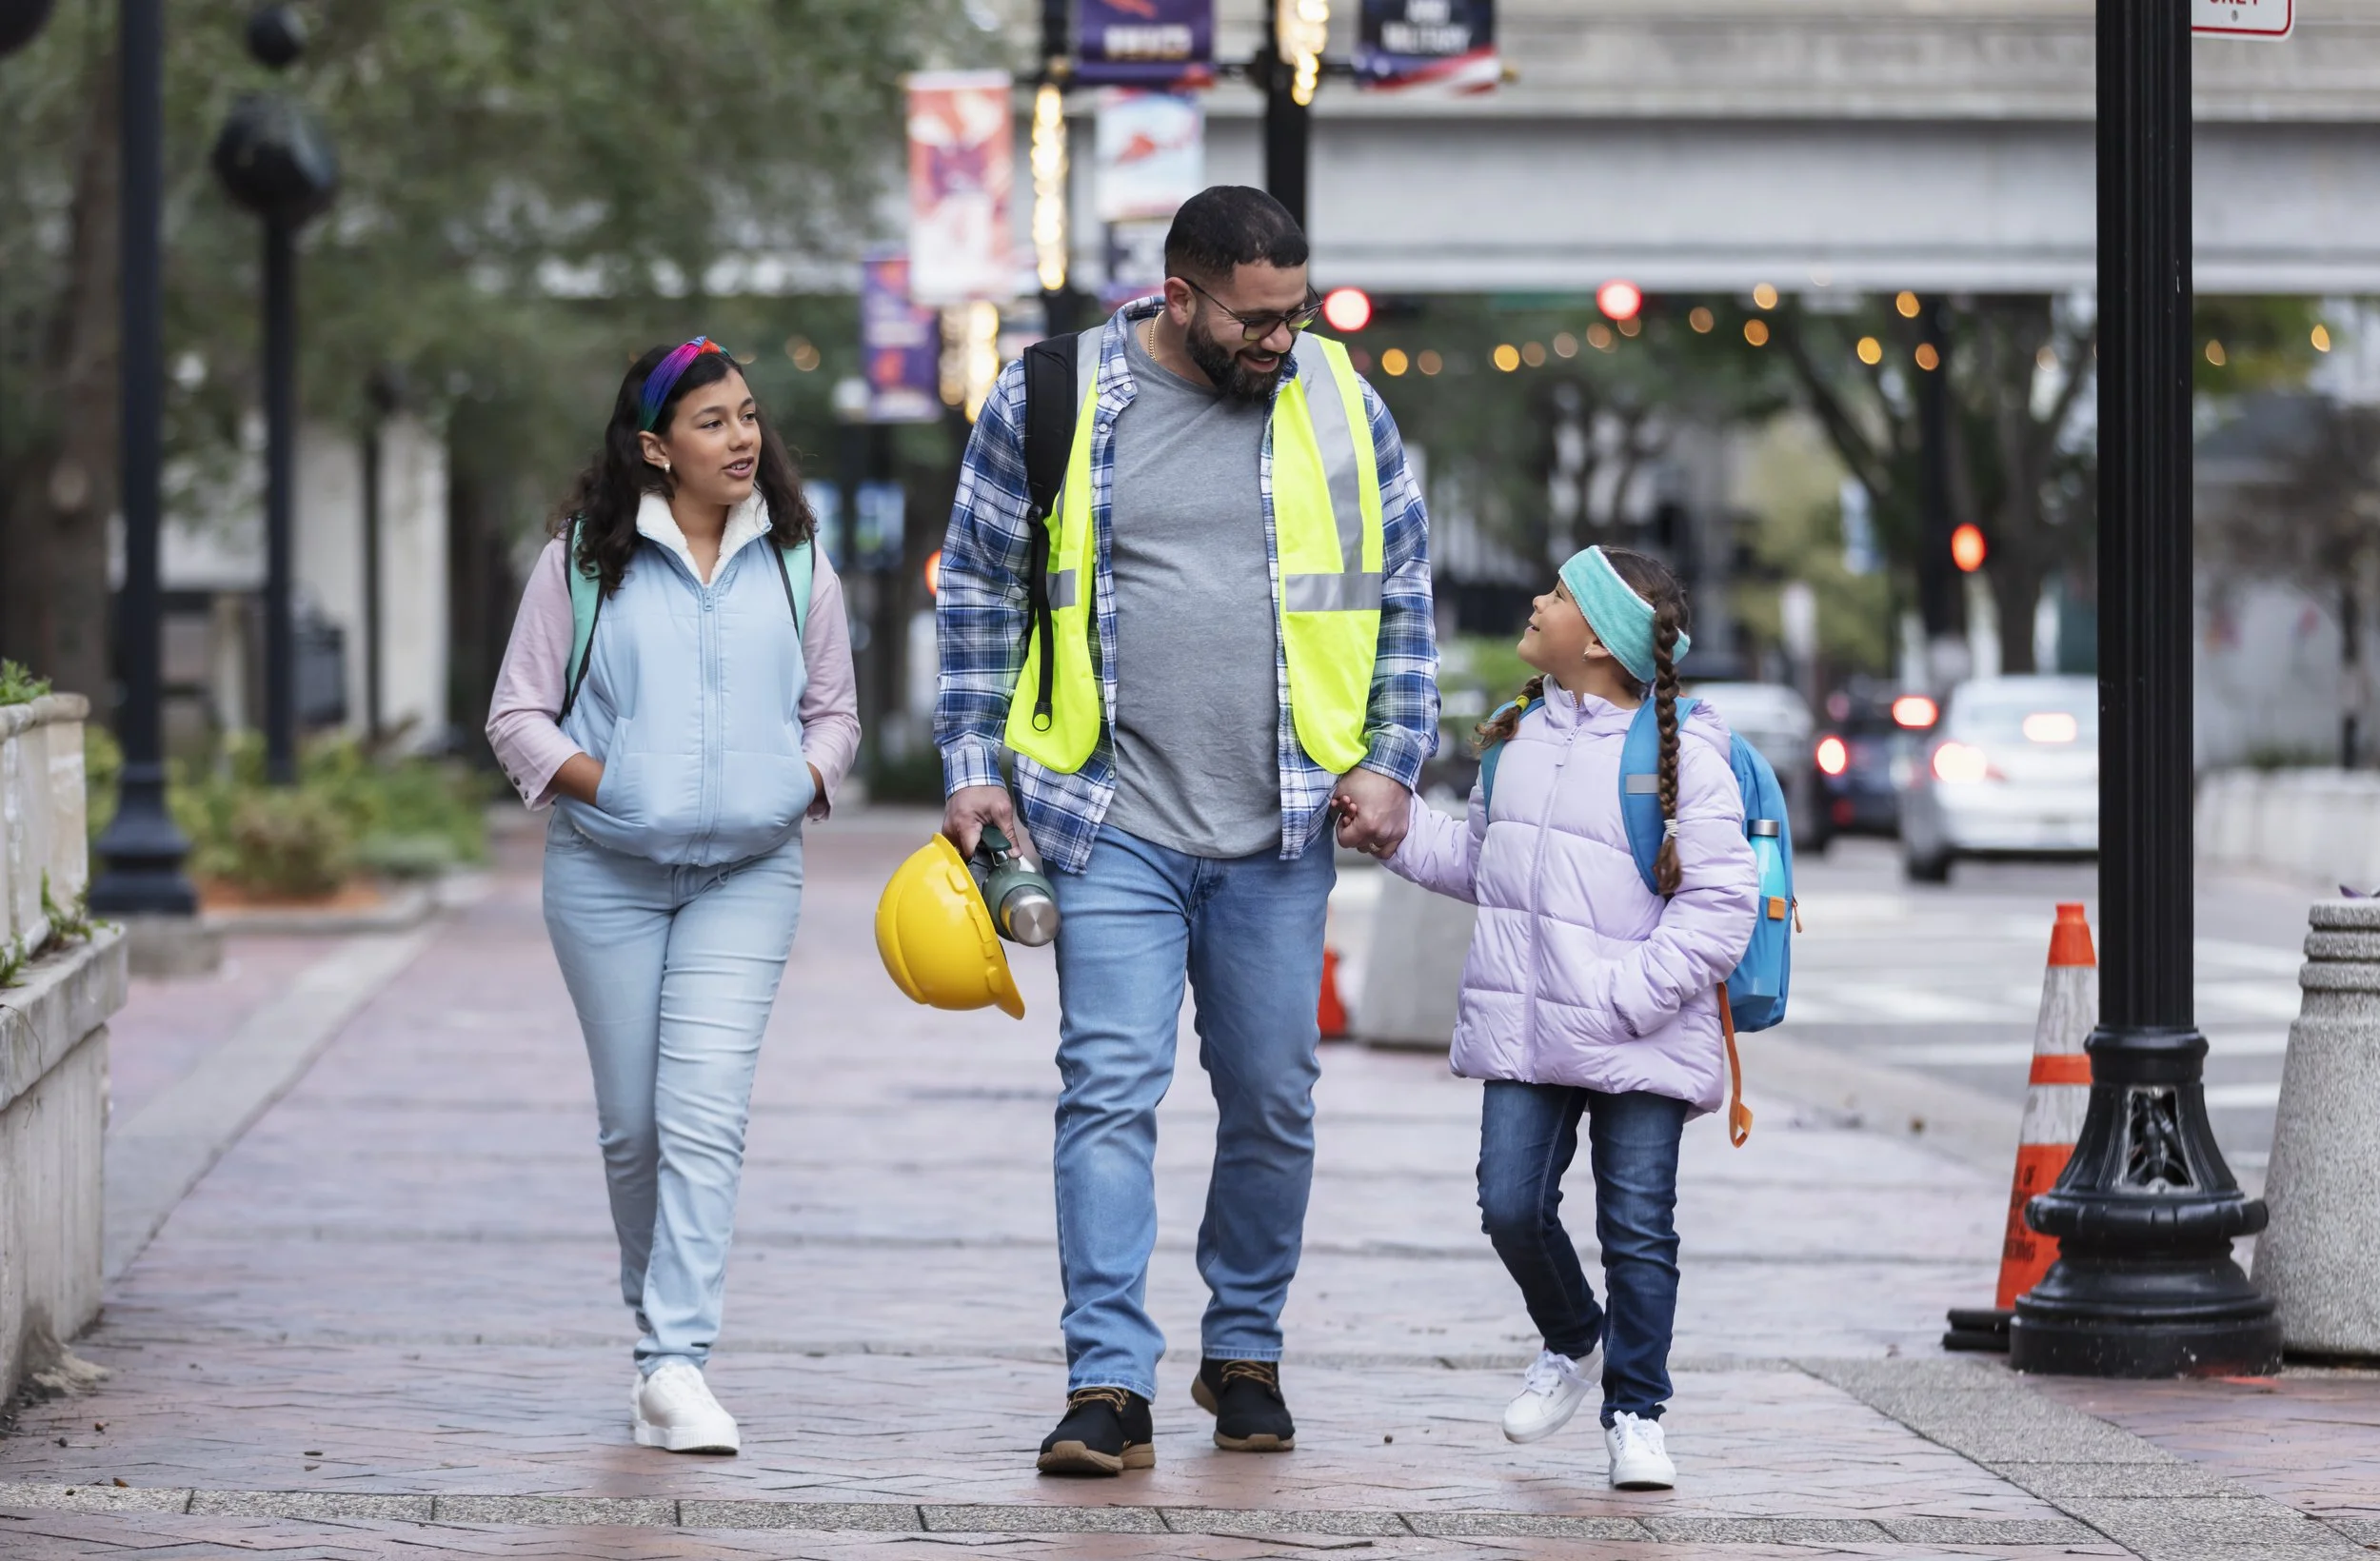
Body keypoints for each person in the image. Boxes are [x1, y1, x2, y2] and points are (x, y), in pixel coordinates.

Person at [933, 187, 1438, 1475]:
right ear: (1179, 295)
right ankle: (1107, 1382)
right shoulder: (1056, 397)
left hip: (1281, 829)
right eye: (1256, 319)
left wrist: (1391, 761)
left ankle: (1246, 1347)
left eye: (1295, 311)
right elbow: (986, 587)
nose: (1281, 340)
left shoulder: (1339, 402)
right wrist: (974, 768)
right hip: (1108, 821)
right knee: (1108, 1091)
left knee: (1273, 1098)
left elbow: (1403, 592)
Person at [486, 338, 860, 1455]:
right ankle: (658, 1350)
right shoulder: (581, 565)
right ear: (654, 447)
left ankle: (675, 1361)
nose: (742, 437)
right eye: (711, 421)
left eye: (748, 415)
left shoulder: (798, 560)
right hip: (606, 874)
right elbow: (517, 717)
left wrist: (791, 783)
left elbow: (834, 711)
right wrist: (620, 784)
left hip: (747, 876)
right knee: (635, 1126)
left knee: (704, 1113)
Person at [1378, 545, 1755, 1491]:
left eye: (1553, 592)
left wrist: (1626, 994)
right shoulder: (1515, 738)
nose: (1535, 601)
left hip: (1639, 1029)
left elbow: (1718, 906)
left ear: (1595, 635)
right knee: (1508, 1204)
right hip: (1528, 1031)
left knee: (1636, 1226)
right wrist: (1389, 829)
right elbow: (1480, 862)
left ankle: (1636, 1410)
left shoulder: (1684, 756)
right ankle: (1573, 1336)